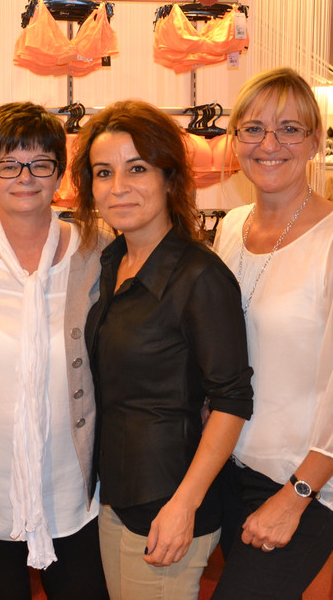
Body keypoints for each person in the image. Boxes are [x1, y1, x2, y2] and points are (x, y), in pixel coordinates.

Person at [211, 68, 333, 597]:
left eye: (289, 129)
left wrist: (296, 494)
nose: (269, 144)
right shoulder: (231, 227)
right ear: (235, 141)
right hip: (230, 465)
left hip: (301, 478)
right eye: (253, 129)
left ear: (314, 141)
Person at [70, 100, 253, 599]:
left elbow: (232, 400)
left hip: (166, 501)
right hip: (116, 492)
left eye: (137, 169)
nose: (118, 187)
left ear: (170, 179)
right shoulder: (112, 262)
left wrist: (183, 505)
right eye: (103, 172)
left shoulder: (199, 277)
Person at [0, 102, 109, 600]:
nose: (25, 177)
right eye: (9, 164)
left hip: (75, 491)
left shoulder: (98, 251)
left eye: (40, 163)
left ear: (60, 174)